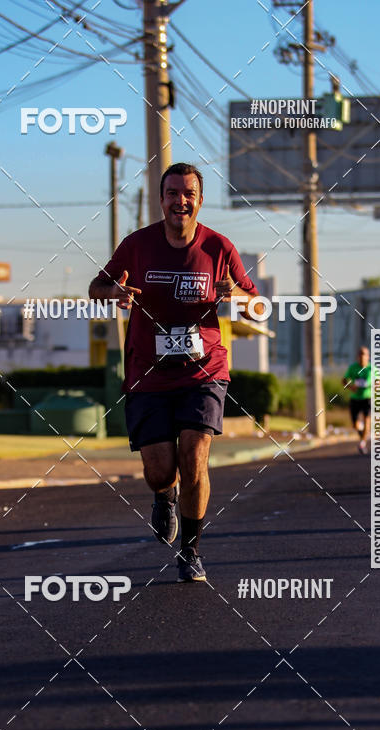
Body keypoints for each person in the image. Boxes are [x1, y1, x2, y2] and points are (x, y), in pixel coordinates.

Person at [89, 162, 260, 581]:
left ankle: (191, 552)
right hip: (148, 372)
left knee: (195, 454)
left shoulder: (219, 248)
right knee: (160, 470)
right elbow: (95, 288)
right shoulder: (137, 245)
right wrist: (114, 291)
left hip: (204, 370)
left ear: (199, 200)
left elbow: (258, 306)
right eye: (172, 193)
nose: (180, 201)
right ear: (161, 199)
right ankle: (164, 495)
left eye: (188, 193)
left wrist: (236, 294)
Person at [343, 346, 372, 454]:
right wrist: (351, 387)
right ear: (357, 356)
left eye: (364, 354)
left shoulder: (371, 368)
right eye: (360, 354)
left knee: (367, 420)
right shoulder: (353, 368)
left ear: (368, 356)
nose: (362, 356)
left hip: (367, 398)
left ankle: (362, 443)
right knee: (355, 424)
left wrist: (377, 385)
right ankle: (363, 434)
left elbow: (379, 380)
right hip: (355, 398)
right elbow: (344, 380)